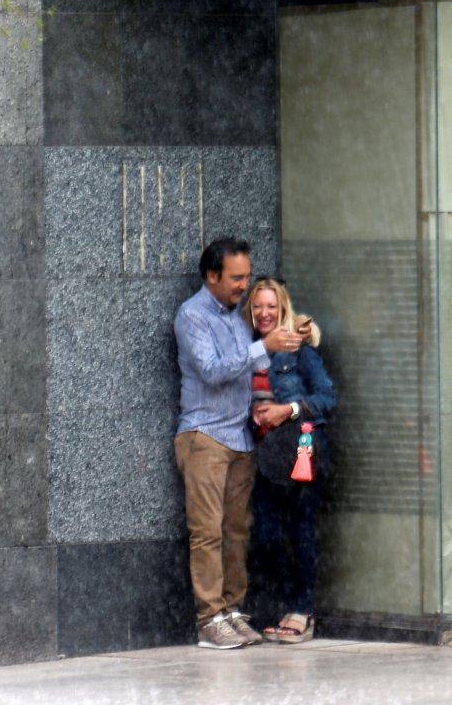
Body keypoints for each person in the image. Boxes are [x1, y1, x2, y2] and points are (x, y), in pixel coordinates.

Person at [173, 238, 304, 650]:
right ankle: (209, 618)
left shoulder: (237, 316)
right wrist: (262, 346)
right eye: (235, 277)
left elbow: (260, 362)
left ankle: (232, 610)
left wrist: (296, 334)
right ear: (212, 276)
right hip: (204, 436)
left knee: (237, 531)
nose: (243, 285)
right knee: (207, 531)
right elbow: (212, 371)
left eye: (247, 276)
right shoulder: (192, 316)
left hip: (241, 438)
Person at [243, 278, 336, 643]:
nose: (264, 313)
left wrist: (289, 409)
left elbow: (328, 398)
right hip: (265, 457)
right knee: (268, 535)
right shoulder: (247, 352)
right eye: (257, 307)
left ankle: (303, 609)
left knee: (301, 531)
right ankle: (284, 605)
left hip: (300, 451)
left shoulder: (299, 351)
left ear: (283, 309)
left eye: (271, 306)